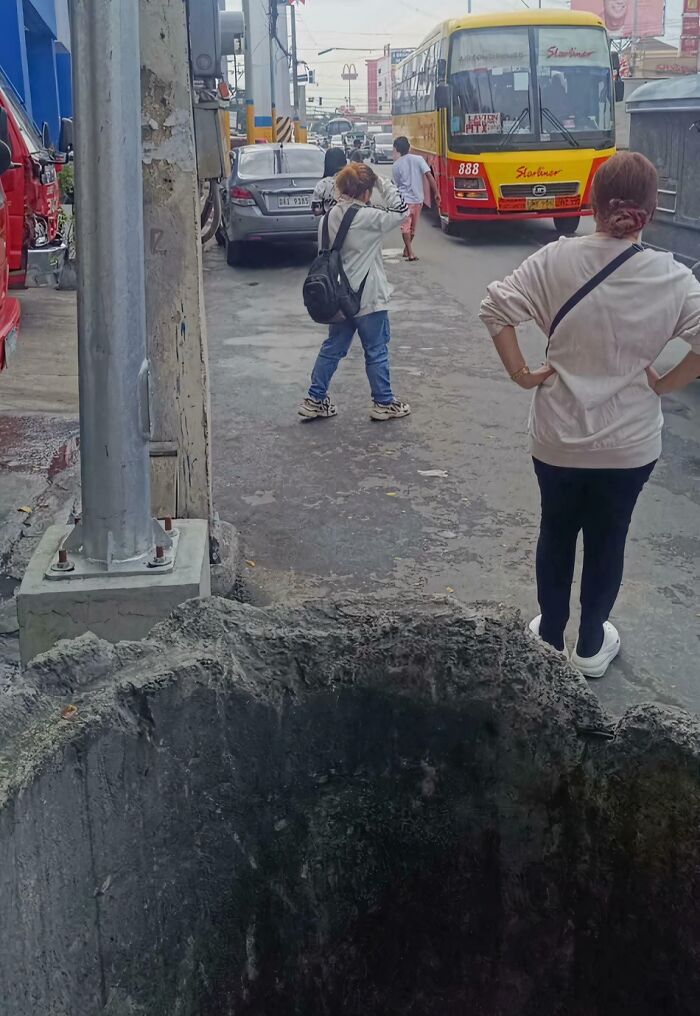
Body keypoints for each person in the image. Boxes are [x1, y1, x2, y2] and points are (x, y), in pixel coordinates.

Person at [479, 151, 700, 678]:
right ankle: (591, 644)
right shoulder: (671, 277)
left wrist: (522, 374)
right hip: (630, 444)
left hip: (557, 436)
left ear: (592, 203)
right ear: (651, 211)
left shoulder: (553, 260)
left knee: (556, 530)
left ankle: (549, 639)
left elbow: (495, 308)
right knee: (610, 537)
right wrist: (663, 383)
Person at [299, 161, 412, 422]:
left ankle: (315, 399)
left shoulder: (327, 218)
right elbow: (402, 211)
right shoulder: (368, 217)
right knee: (376, 350)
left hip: (337, 298)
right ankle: (383, 403)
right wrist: (382, 181)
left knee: (332, 348)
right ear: (366, 191)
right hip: (368, 298)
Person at [392, 136, 440, 262]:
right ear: (409, 147)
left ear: (397, 149)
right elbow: (429, 175)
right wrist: (436, 192)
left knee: (406, 227)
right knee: (411, 228)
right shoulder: (419, 159)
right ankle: (410, 252)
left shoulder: (396, 165)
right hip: (418, 199)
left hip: (404, 200)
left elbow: (397, 184)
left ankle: (407, 249)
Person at [312, 147, 347, 217]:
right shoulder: (352, 181)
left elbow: (316, 211)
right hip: (349, 222)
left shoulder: (322, 184)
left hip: (328, 222)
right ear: (344, 162)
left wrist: (328, 209)